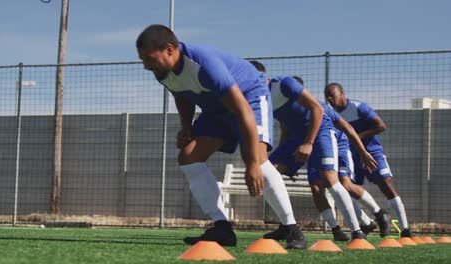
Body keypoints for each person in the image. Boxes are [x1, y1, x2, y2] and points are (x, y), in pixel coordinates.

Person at [136, 24, 306, 249]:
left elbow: (243, 110)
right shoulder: (162, 73)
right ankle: (222, 228)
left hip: (249, 97)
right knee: (188, 157)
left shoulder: (204, 65)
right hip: (217, 108)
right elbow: (181, 95)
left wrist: (252, 163)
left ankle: (291, 227)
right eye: (143, 60)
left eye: (149, 58)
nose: (146, 66)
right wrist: (186, 126)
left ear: (169, 49)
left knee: (258, 157)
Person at [250, 61, 368, 240]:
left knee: (330, 179)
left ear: (263, 76)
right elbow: (284, 128)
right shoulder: (260, 98)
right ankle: (286, 225)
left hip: (320, 131)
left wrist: (309, 143)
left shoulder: (284, 84)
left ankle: (357, 232)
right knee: (268, 171)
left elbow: (318, 110)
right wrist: (286, 160)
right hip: (296, 137)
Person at [325, 82, 415, 237]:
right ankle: (367, 222)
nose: (330, 100)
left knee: (386, 185)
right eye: (328, 98)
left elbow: (380, 126)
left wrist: (357, 138)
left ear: (341, 92)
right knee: (347, 189)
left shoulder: (358, 107)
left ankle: (405, 229)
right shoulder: (333, 115)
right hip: (351, 157)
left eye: (333, 95)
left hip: (372, 153)